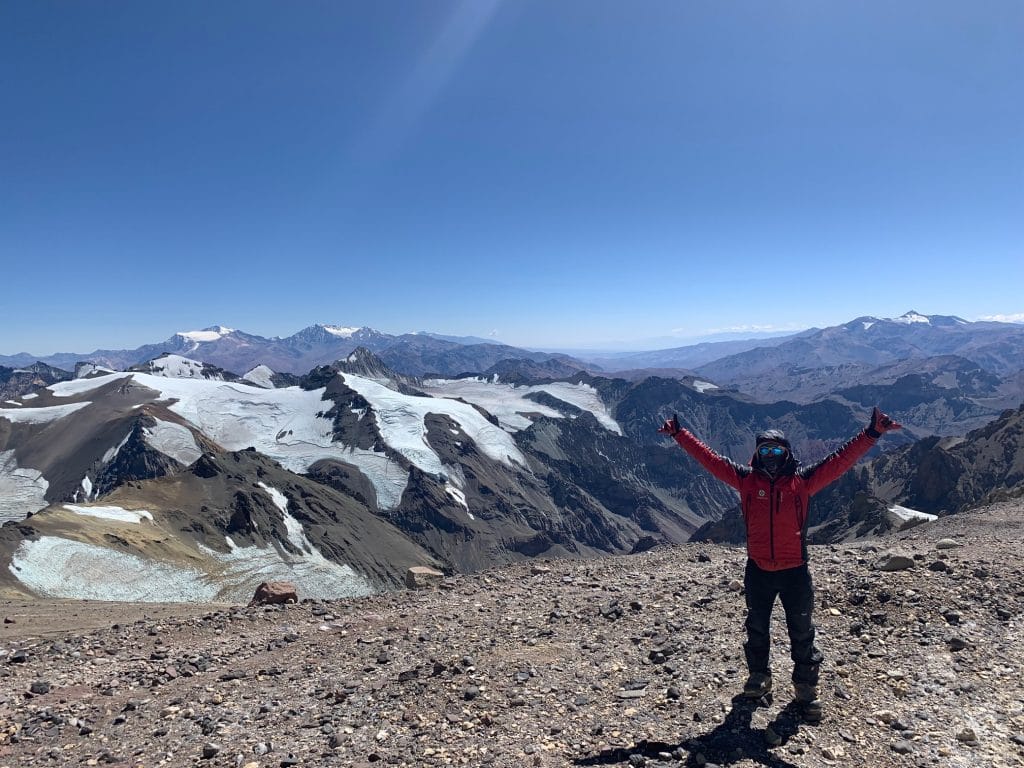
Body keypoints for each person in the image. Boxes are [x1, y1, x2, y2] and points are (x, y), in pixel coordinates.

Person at [658, 407, 901, 721]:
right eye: (765, 450)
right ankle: (760, 678)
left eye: (777, 450)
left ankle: (805, 690)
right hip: (758, 569)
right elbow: (711, 460)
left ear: (787, 453)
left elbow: (840, 460)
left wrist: (873, 433)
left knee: (801, 632)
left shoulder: (804, 481)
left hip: (794, 571)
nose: (771, 455)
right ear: (757, 454)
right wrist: (680, 434)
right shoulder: (746, 480)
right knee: (756, 629)